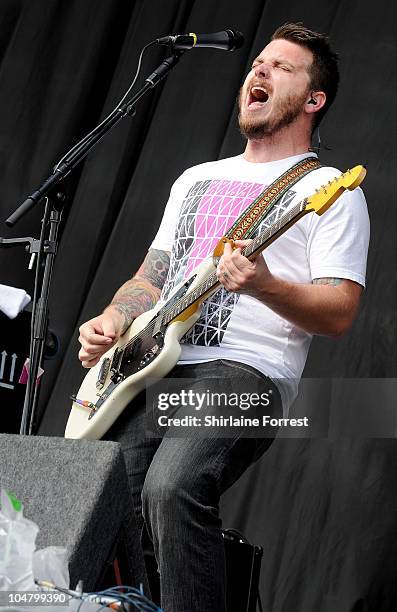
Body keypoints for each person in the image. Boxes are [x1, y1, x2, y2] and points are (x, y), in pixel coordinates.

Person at [77, 23, 369, 611]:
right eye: (258, 62)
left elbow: (338, 310)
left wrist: (263, 283)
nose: (259, 71)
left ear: (315, 100)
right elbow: (151, 275)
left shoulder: (329, 189)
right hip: (151, 367)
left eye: (281, 68)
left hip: (245, 371)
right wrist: (113, 317)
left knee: (173, 486)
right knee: (115, 506)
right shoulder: (196, 179)